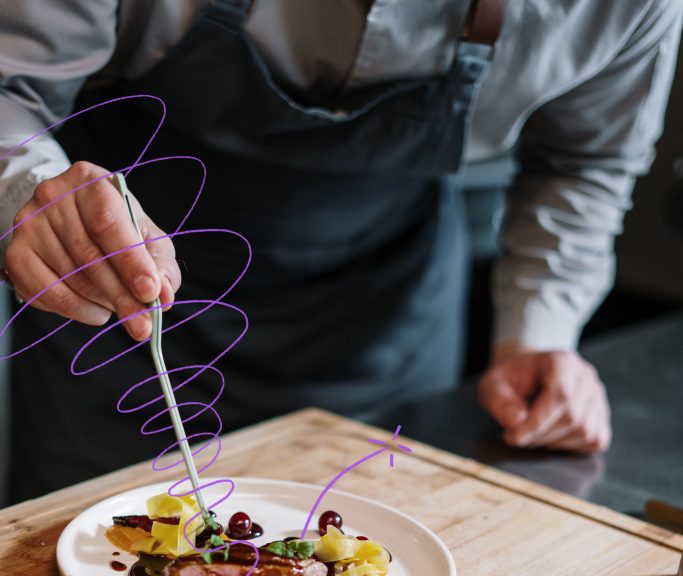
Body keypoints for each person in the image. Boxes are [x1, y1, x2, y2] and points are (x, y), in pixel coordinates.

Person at [0, 0, 680, 502]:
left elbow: (582, 162)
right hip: (115, 303)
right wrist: (25, 185)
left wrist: (539, 332)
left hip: (383, 313)